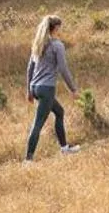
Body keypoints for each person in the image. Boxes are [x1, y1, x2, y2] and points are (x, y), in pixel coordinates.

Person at [25, 14, 81, 161]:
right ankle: (28, 159)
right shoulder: (57, 45)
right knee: (38, 123)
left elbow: (29, 68)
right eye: (59, 28)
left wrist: (29, 91)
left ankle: (64, 148)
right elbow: (63, 69)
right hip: (47, 89)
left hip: (35, 87)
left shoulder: (38, 44)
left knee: (59, 112)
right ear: (55, 28)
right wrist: (73, 89)